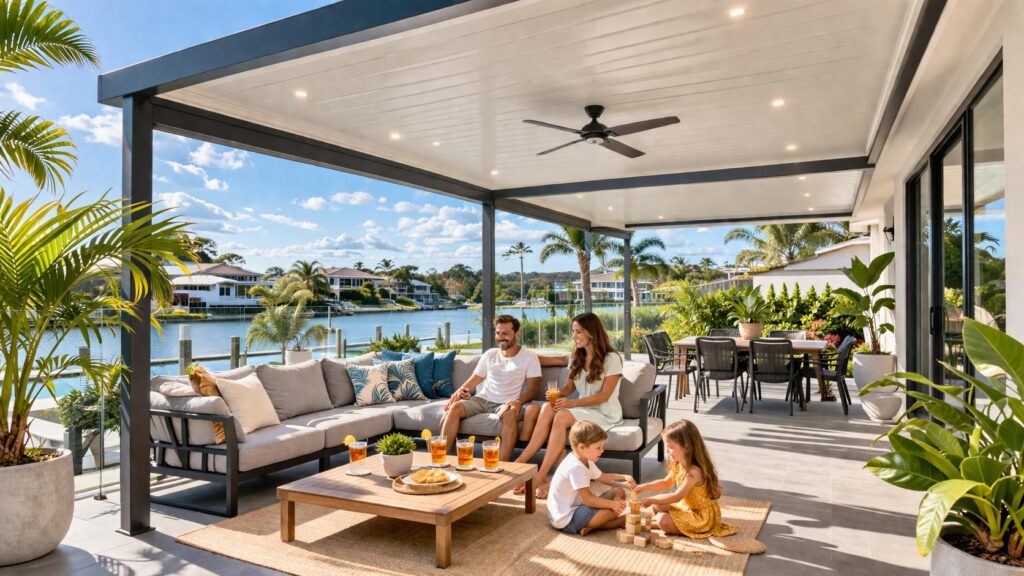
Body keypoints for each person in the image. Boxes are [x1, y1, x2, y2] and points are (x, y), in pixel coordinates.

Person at [514, 312, 623, 498]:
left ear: (592, 332)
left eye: (579, 332)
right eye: (573, 331)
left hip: (604, 413)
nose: (574, 336)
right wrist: (557, 394)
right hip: (584, 410)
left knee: (562, 415)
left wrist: (571, 403)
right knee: (548, 407)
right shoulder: (576, 357)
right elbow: (569, 387)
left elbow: (604, 396)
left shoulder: (611, 358)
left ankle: (540, 475)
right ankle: (520, 462)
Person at [441, 315, 541, 461]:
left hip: (507, 403)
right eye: (498, 333)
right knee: (455, 408)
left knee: (509, 415)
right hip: (483, 399)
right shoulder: (490, 354)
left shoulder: (529, 357)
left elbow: (534, 388)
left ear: (517, 333)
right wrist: (458, 392)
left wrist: (518, 402)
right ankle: (440, 459)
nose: (500, 337)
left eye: (505, 333)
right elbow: (476, 377)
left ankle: (502, 465)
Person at [635, 420, 738, 539]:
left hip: (701, 517)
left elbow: (676, 496)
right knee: (656, 507)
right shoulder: (678, 464)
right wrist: (644, 487)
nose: (667, 451)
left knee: (662, 519)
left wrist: (652, 499)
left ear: (687, 447)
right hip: (686, 507)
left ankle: (657, 524)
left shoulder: (694, 472)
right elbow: (665, 483)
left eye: (671, 447)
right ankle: (658, 523)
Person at [547, 421, 635, 536]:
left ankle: (591, 526)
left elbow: (602, 477)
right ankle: (618, 521)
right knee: (609, 511)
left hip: (579, 508)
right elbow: (589, 499)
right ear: (581, 447)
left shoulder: (584, 458)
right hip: (566, 519)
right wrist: (612, 505)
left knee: (618, 491)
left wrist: (623, 480)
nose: (602, 450)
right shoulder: (575, 468)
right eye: (598, 447)